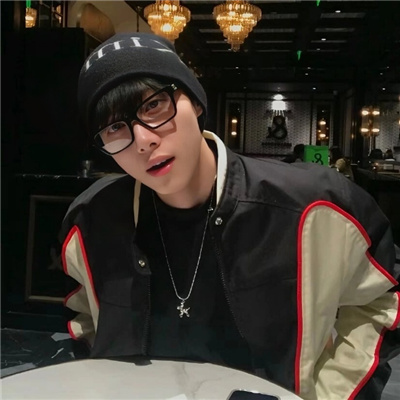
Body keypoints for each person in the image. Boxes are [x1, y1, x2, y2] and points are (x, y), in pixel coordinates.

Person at [60, 33, 400, 400]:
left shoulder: (308, 205)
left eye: (154, 106)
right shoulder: (92, 219)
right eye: (114, 128)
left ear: (195, 101)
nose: (143, 140)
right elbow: (85, 318)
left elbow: (382, 301)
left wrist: (331, 394)